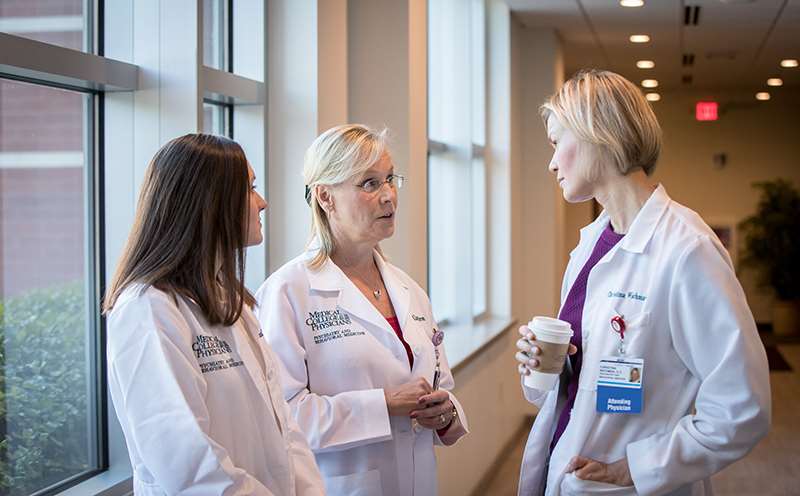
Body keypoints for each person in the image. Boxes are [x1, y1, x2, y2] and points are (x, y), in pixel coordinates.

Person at [514, 70, 770, 496]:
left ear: (599, 135)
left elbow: (742, 407)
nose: (552, 162)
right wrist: (549, 363)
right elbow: (588, 379)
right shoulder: (593, 245)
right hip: (565, 466)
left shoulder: (687, 249)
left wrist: (638, 468)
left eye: (558, 142)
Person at [103, 134, 325, 495]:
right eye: (250, 189)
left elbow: (285, 431)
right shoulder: (147, 309)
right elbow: (186, 462)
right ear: (209, 203)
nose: (263, 202)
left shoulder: (231, 302)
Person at [255, 124, 468, 495]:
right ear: (325, 197)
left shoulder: (409, 290)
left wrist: (446, 412)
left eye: (390, 179)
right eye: (369, 184)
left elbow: (441, 385)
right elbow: (281, 418)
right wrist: (383, 405)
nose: (389, 196)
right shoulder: (287, 292)